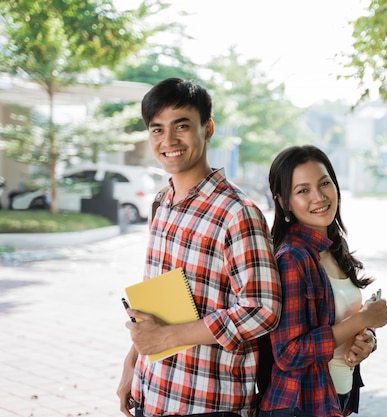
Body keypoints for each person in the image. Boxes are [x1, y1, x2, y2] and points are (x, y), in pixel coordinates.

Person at [116, 77, 282, 417]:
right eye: (157, 129)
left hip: (208, 404)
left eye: (181, 126)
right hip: (154, 393)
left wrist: (168, 337)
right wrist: (133, 362)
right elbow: (157, 303)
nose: (168, 140)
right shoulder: (163, 203)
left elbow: (262, 309)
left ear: (208, 129)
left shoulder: (237, 212)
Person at [258, 145, 387, 417]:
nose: (319, 196)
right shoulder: (293, 258)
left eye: (324, 183)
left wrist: (366, 339)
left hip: (333, 398)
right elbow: (289, 353)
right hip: (300, 404)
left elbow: (343, 319)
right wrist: (362, 320)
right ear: (284, 202)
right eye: (303, 190)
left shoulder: (331, 248)